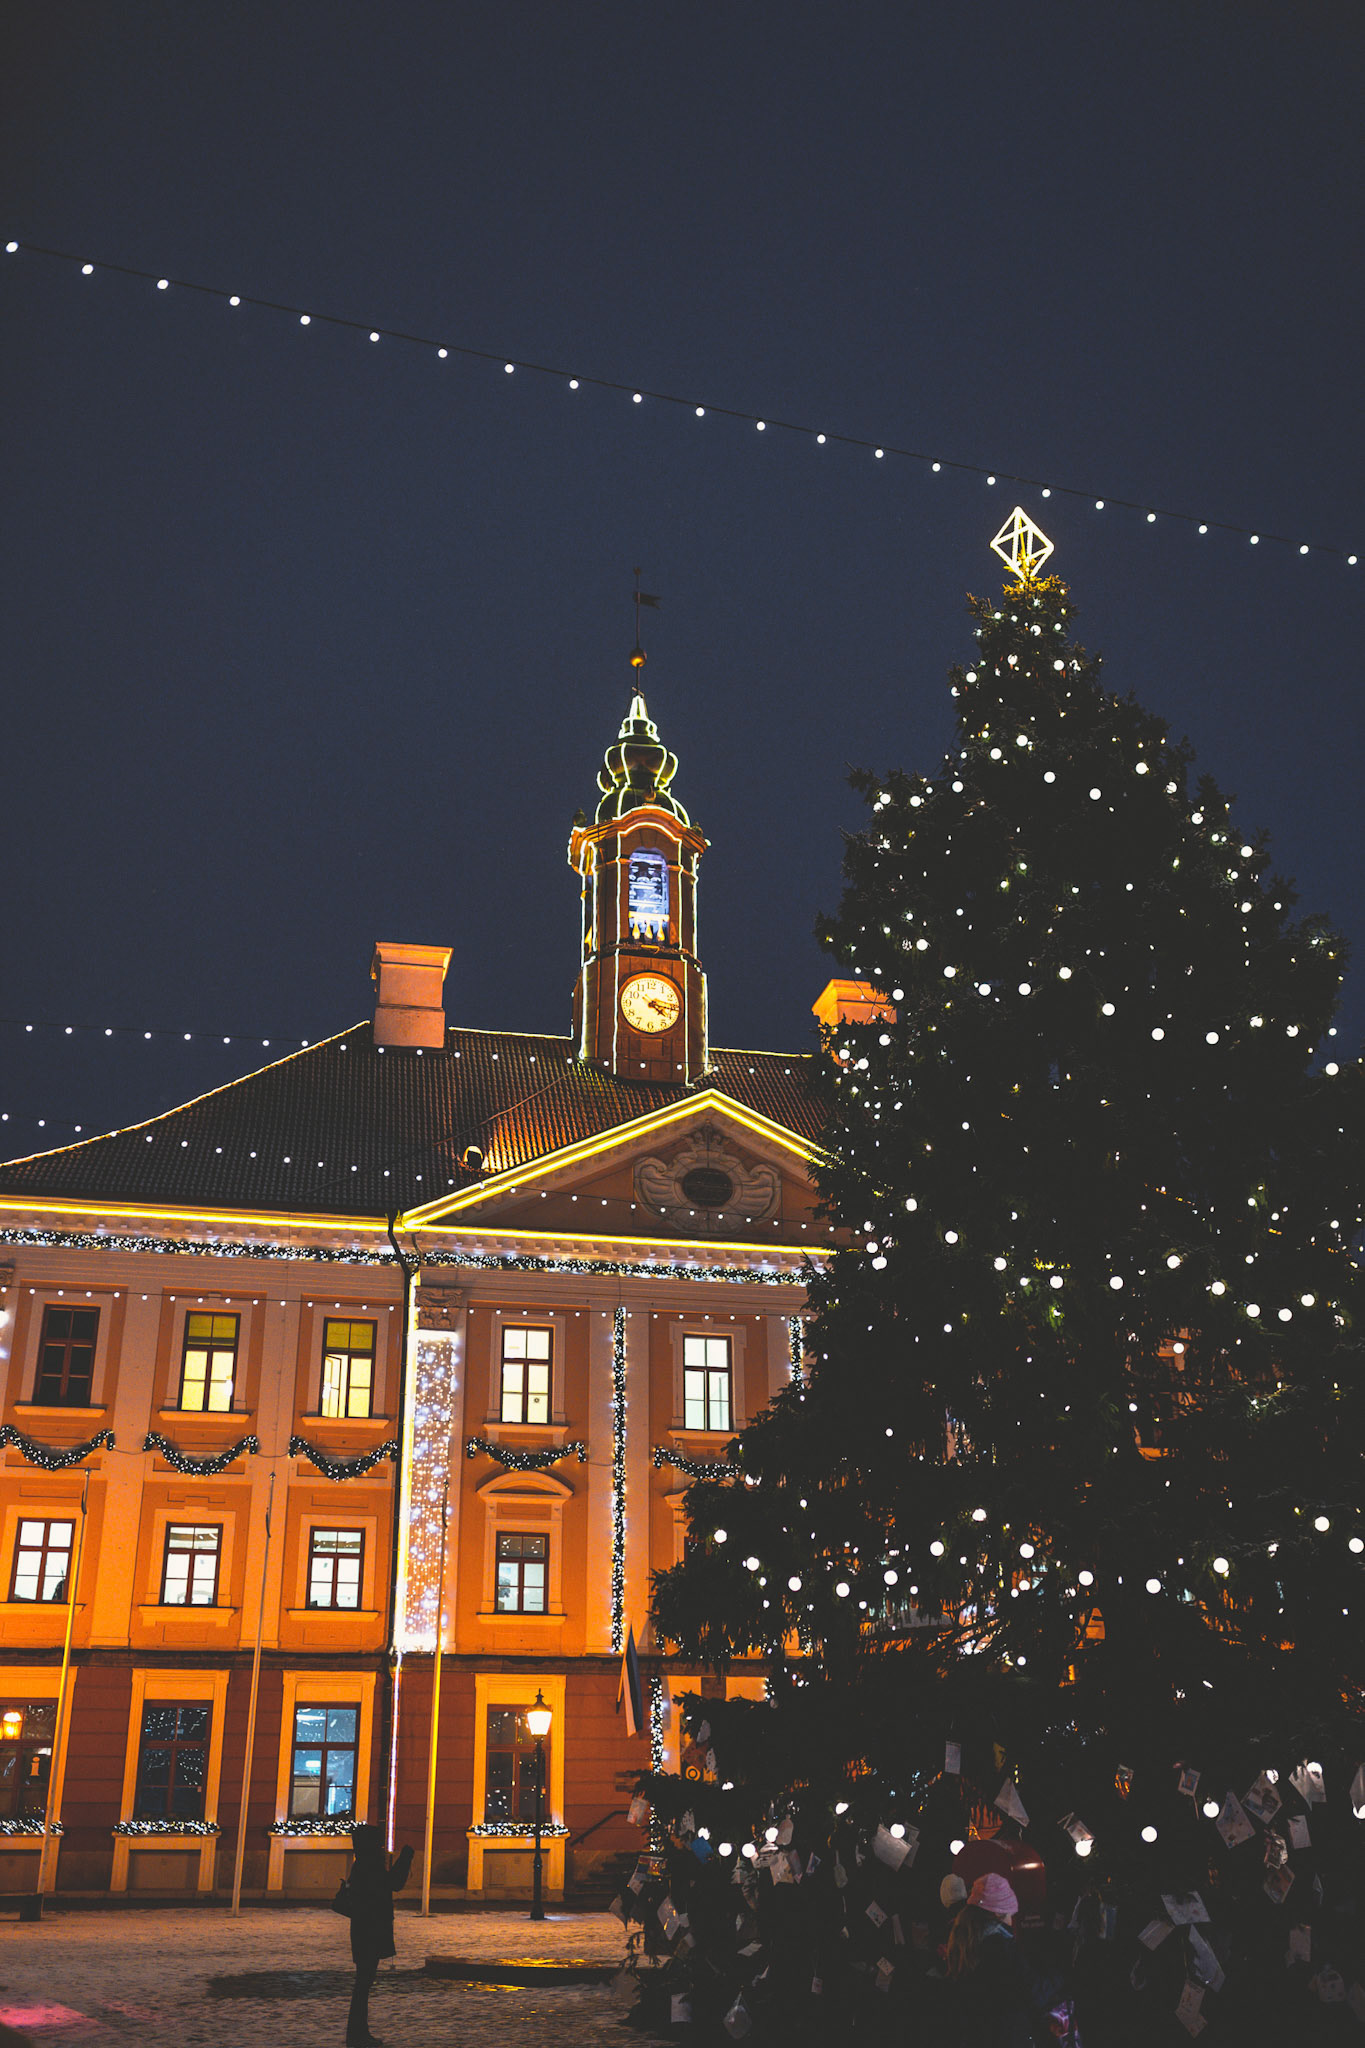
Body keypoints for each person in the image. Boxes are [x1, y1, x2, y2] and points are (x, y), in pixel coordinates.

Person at [942, 1872, 1051, 2048]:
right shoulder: (1000, 1947)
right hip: (1004, 2037)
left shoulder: (964, 1941)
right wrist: (1061, 1979)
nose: (1011, 1920)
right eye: (1009, 1914)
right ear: (998, 1913)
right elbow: (1032, 1992)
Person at [343, 1823, 415, 2048]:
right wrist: (405, 1858)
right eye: (379, 1844)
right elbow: (394, 1884)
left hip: (363, 1929)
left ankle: (358, 2032)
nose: (381, 1848)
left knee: (363, 1983)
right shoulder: (370, 1864)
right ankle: (357, 2034)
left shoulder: (361, 1863)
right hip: (371, 1929)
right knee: (363, 1984)